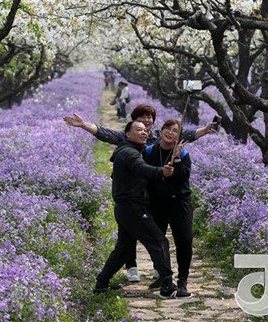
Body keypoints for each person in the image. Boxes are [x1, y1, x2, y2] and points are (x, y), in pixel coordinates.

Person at [63, 103, 218, 282]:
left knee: (142, 237)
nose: (146, 121)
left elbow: (180, 135)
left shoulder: (156, 137)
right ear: (132, 125)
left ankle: (155, 273)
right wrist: (84, 125)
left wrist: (205, 130)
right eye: (141, 118)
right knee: (134, 235)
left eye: (149, 117)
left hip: (155, 196)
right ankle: (134, 268)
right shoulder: (129, 139)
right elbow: (106, 134)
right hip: (134, 195)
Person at [93, 121, 179, 299]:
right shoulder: (129, 153)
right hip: (132, 208)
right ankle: (167, 286)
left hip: (126, 209)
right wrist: (161, 172)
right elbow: (142, 168)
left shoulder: (131, 150)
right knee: (159, 242)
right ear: (127, 134)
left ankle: (101, 284)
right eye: (138, 130)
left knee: (124, 250)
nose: (144, 133)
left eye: (145, 130)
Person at [143, 118, 193, 298]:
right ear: (162, 130)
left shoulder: (183, 154)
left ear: (178, 136)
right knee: (158, 241)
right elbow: (144, 173)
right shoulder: (149, 151)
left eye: (175, 131)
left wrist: (177, 158)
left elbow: (183, 177)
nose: (170, 132)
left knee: (184, 240)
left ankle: (182, 280)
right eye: (167, 128)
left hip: (180, 202)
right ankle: (164, 277)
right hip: (157, 203)